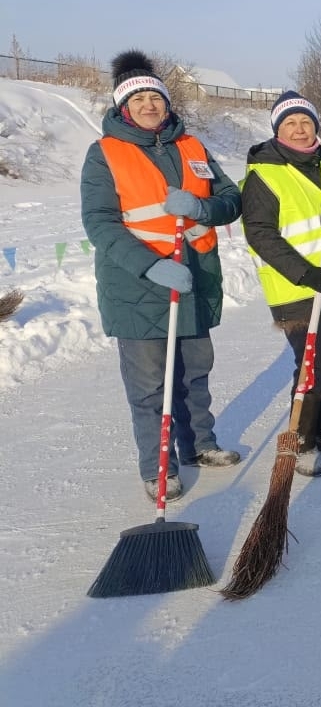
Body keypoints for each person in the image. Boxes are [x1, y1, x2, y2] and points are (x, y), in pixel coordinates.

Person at [80, 50, 241, 501]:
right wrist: (151, 265)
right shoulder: (105, 154)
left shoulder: (192, 147)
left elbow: (230, 197)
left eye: (156, 97)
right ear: (122, 107)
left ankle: (200, 446)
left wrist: (203, 207)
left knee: (195, 374)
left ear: (167, 103)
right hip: (138, 287)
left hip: (194, 277)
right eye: (139, 99)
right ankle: (158, 467)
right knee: (150, 387)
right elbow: (100, 223)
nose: (149, 105)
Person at [241, 92, 321, 477]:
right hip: (297, 289)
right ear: (278, 130)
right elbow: (260, 234)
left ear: (315, 127)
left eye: (305, 122)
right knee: (312, 368)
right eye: (290, 123)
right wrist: (303, 272)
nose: (299, 129)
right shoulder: (264, 173)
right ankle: (304, 444)